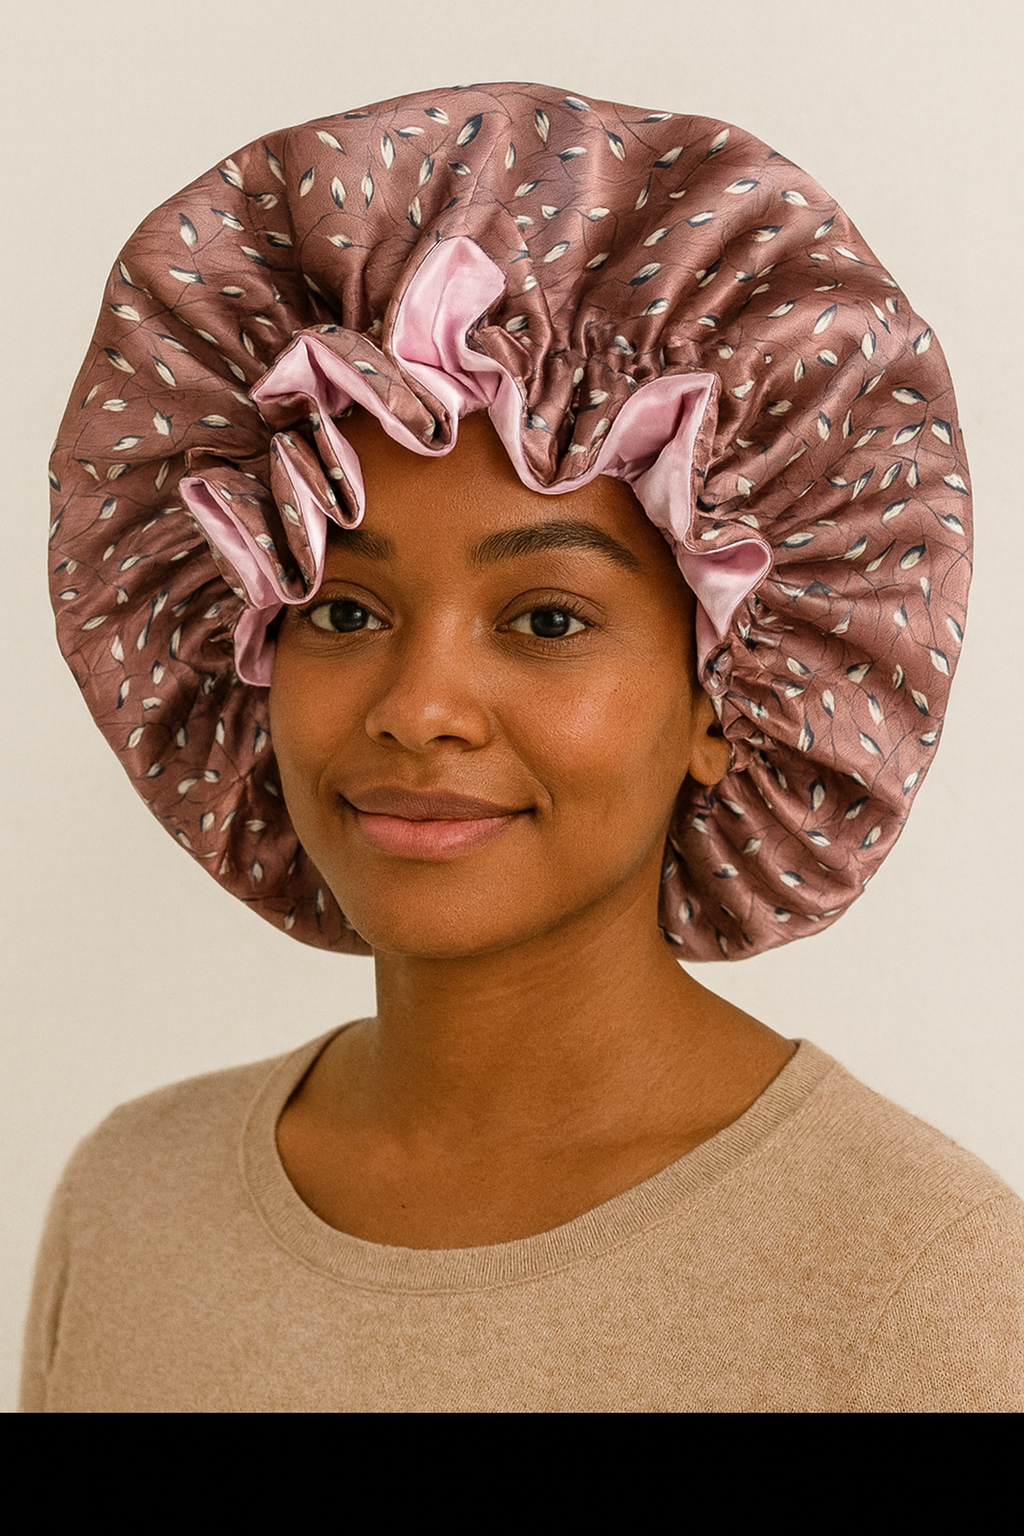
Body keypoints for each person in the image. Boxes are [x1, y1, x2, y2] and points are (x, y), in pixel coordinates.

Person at [23, 83, 1023, 1412]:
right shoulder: (132, 1207)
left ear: (730, 693)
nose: (419, 705)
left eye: (547, 616)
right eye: (343, 607)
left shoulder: (917, 1280)